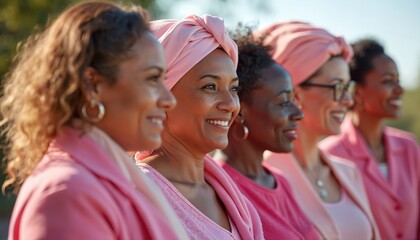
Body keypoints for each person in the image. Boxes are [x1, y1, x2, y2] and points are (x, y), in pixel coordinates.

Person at [1, 1, 188, 239]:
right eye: (152, 79)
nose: (168, 99)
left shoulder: (111, 180)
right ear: (92, 85)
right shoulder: (69, 194)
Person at [136, 15, 263, 240]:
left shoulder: (233, 199)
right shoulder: (139, 193)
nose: (230, 104)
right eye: (210, 87)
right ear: (161, 96)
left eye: (234, 89)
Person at [259, 21, 381, 239]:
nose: (348, 100)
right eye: (338, 88)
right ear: (294, 94)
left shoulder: (348, 172)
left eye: (349, 87)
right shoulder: (264, 175)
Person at [213, 26, 320, 239]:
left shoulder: (280, 181)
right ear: (240, 110)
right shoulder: (219, 190)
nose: (298, 113)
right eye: (283, 103)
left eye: (294, 100)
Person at [320, 39, 420, 240]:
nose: (399, 90)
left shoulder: (409, 147)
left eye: (398, 80)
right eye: (388, 81)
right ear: (356, 91)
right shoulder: (330, 154)